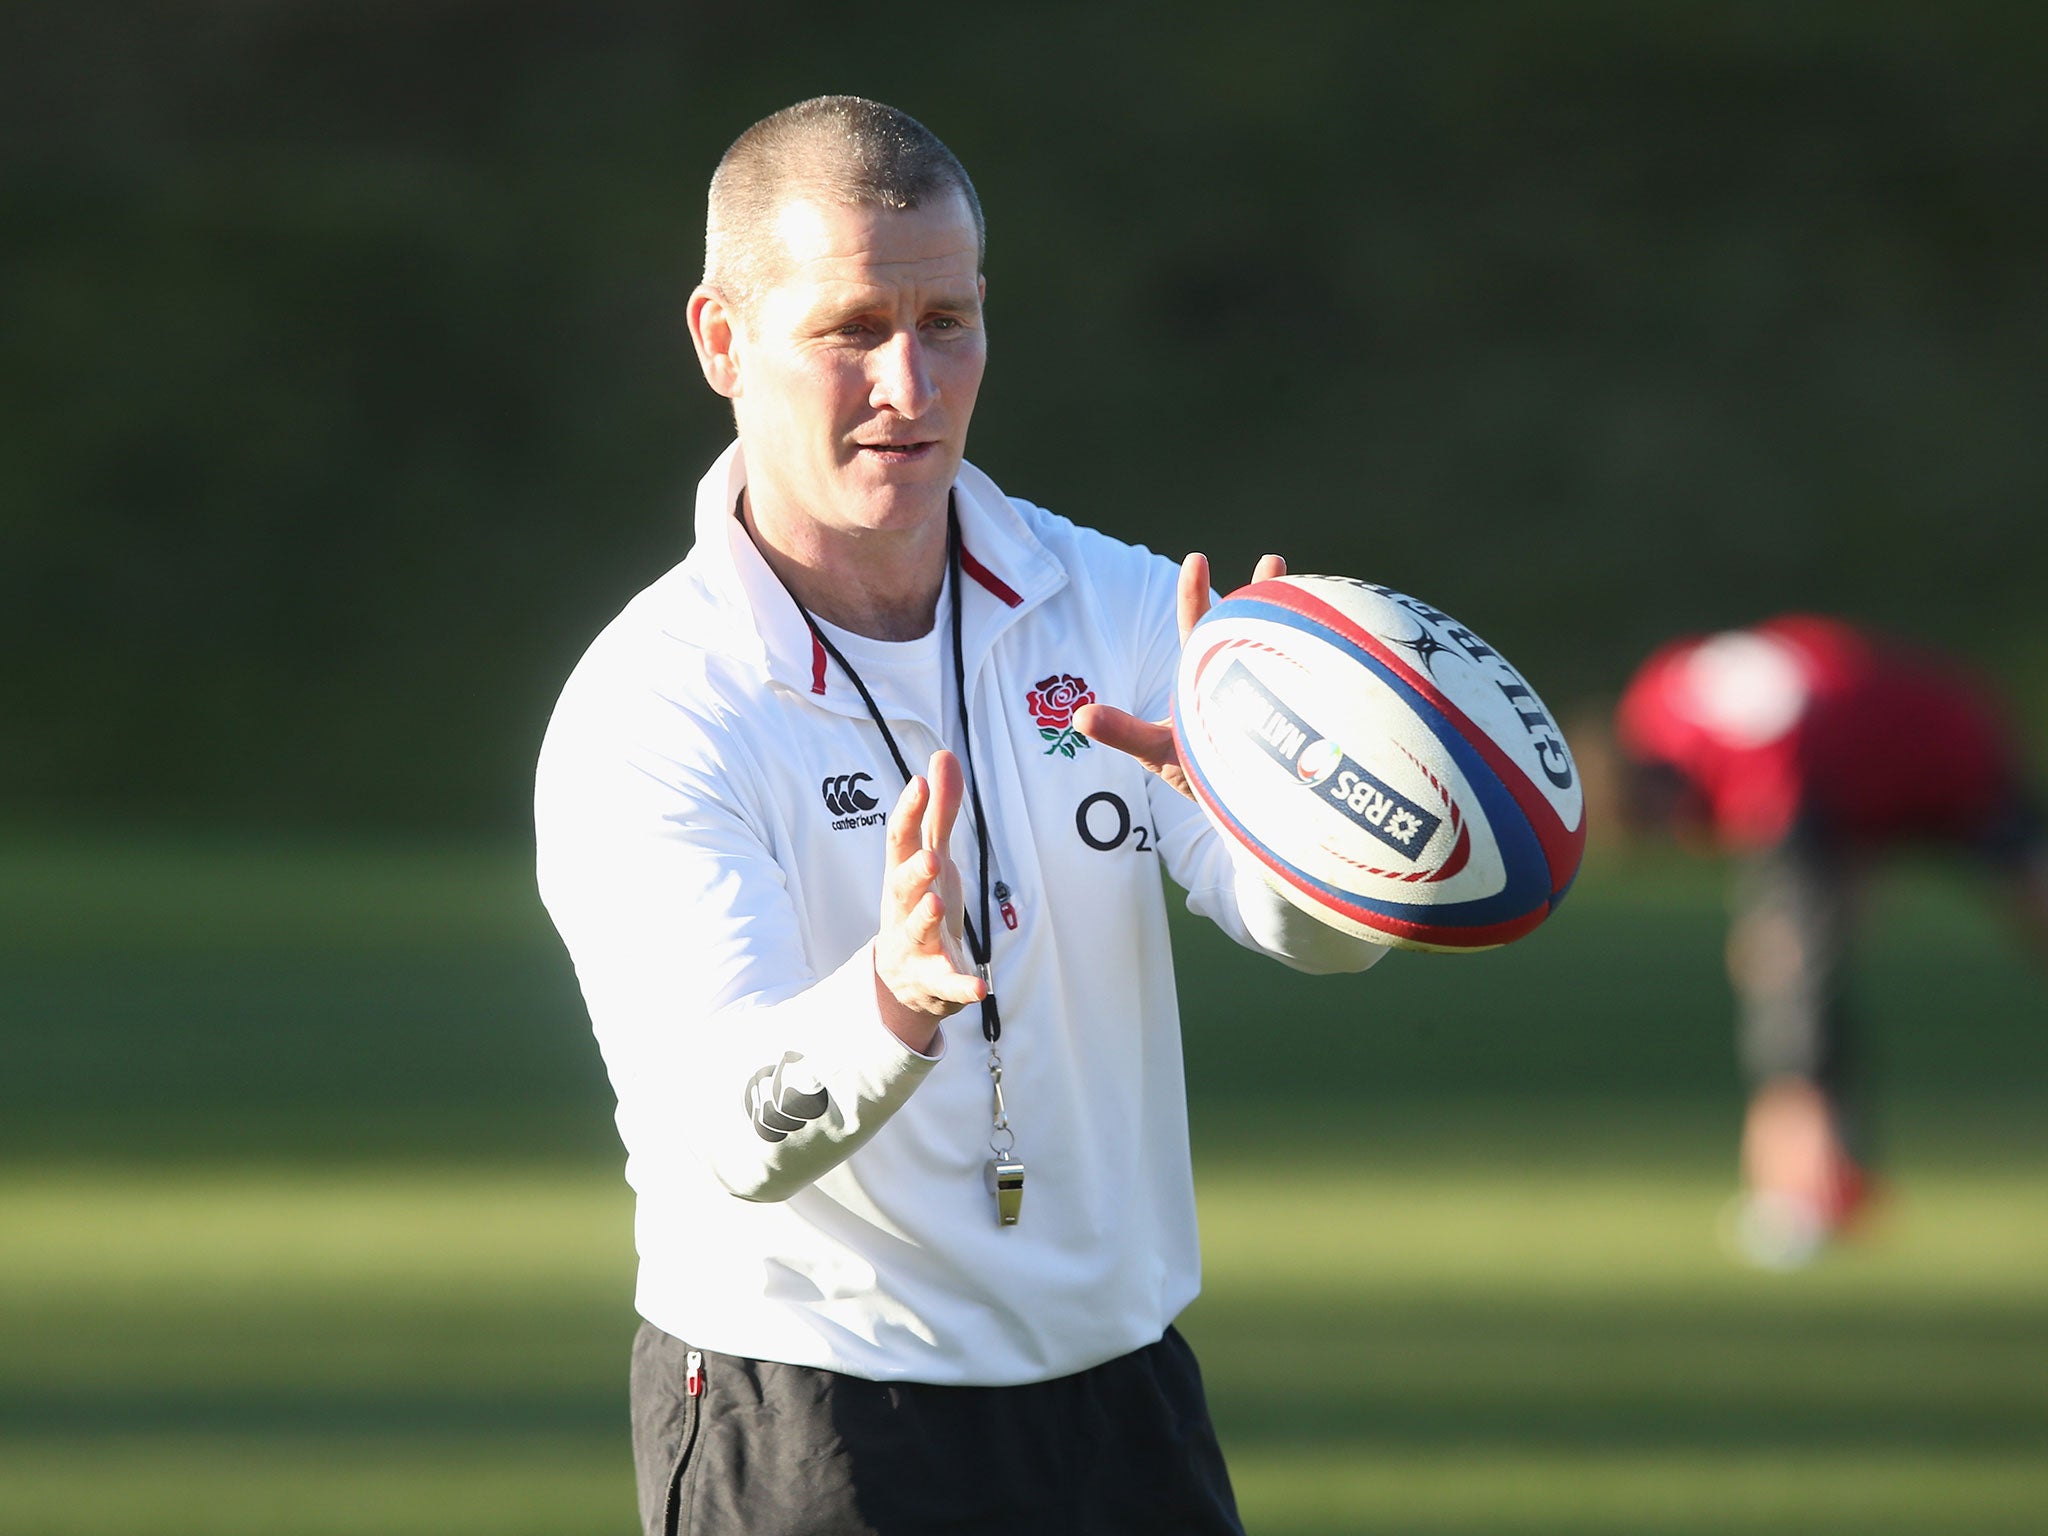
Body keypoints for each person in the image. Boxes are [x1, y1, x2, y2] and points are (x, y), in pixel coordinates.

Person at [534, 96, 1383, 1535]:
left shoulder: (1111, 607)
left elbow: (1316, 941)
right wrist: (888, 1005)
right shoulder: (657, 708)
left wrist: (1306, 833)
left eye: (949, 319)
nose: (911, 383)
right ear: (722, 340)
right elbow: (725, 1139)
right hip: (812, 1423)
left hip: (1121, 1404)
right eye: (852, 327)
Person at [1610, 613, 2047, 1266]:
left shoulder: (1747, 760)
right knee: (1792, 978)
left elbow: (1799, 838)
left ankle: (1802, 1188)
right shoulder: (1664, 698)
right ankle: (1826, 1181)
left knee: (1788, 990)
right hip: (1905, 739)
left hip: (1941, 754)